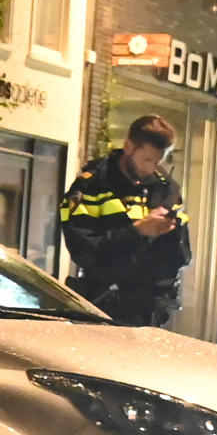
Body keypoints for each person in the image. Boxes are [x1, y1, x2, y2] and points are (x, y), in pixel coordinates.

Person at [59, 115, 192, 327]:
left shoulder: (165, 190)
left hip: (150, 313)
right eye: (147, 160)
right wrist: (137, 231)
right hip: (102, 309)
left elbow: (182, 257)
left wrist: (170, 232)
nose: (151, 169)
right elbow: (84, 251)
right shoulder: (91, 187)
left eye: (157, 162)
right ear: (129, 146)